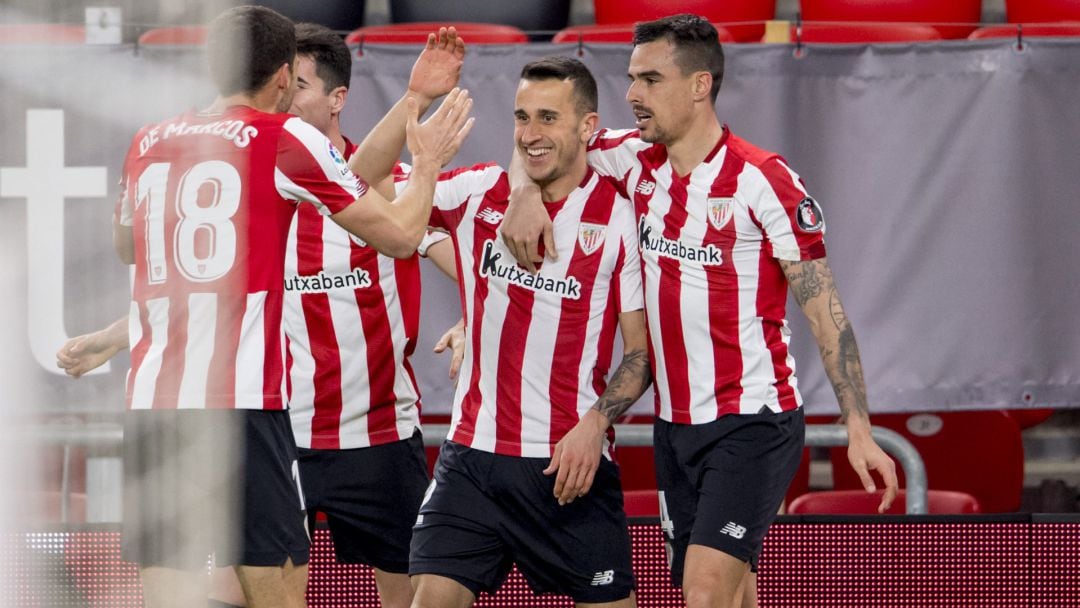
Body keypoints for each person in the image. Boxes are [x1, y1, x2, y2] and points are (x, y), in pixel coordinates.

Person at [58, 19, 470, 608]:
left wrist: (113, 334)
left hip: (155, 401)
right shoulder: (280, 139)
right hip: (243, 405)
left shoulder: (150, 140)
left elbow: (132, 249)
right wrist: (426, 158)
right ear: (281, 77)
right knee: (272, 591)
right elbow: (403, 235)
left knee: (170, 591)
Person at [499, 14, 899, 608]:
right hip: (676, 424)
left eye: (650, 79)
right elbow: (539, 143)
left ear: (699, 85)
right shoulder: (630, 160)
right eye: (632, 79)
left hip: (753, 419)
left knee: (703, 591)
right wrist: (525, 196)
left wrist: (858, 428)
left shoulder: (764, 180)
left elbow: (824, 310)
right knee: (731, 591)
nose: (631, 95)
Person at [374, 56, 651, 608]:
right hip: (471, 460)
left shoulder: (620, 221)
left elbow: (641, 355)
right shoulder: (481, 190)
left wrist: (595, 425)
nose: (531, 134)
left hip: (566, 465)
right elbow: (368, 180)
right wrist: (414, 101)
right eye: (522, 117)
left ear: (587, 127)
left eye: (549, 118)